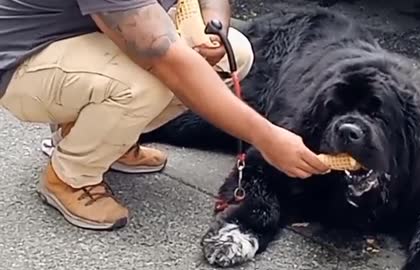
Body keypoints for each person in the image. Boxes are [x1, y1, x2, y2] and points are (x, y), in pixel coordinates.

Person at [0, 0, 329, 230]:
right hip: (23, 58)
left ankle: (106, 138)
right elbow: (162, 57)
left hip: (95, 36)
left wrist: (215, 27)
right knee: (147, 84)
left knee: (234, 53)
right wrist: (266, 137)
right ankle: (70, 178)